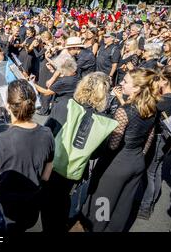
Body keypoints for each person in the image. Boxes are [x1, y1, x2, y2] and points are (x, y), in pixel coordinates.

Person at [80, 68, 160, 232]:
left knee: (103, 204)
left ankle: (96, 229)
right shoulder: (151, 109)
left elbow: (113, 145)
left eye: (125, 81)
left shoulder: (123, 111)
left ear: (137, 88)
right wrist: (138, 156)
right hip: (137, 161)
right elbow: (149, 138)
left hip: (117, 166)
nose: (121, 83)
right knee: (122, 207)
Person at [0, 80, 54, 232]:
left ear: (8, 106)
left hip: (4, 213)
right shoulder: (48, 134)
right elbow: (46, 176)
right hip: (30, 210)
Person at [41, 72, 112, 232]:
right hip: (75, 169)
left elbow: (46, 134)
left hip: (52, 164)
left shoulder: (64, 104)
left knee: (48, 201)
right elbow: (95, 153)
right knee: (63, 199)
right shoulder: (102, 119)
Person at [138, 65, 171, 219]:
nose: (158, 82)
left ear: (166, 81)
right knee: (156, 170)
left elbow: (149, 111)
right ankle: (148, 201)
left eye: (160, 79)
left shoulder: (167, 102)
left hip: (160, 140)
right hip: (166, 141)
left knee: (150, 172)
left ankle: (145, 206)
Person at [33, 54, 79, 136]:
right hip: (68, 104)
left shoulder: (64, 81)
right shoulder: (76, 75)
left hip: (60, 107)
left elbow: (46, 92)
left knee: (54, 130)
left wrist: (33, 84)